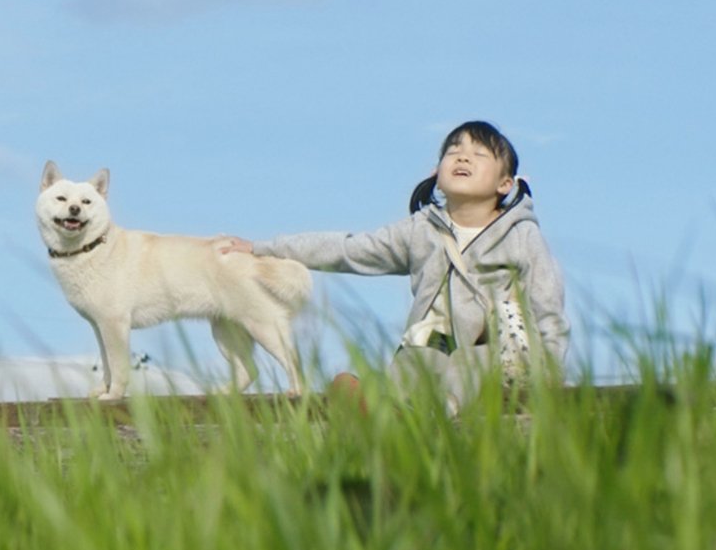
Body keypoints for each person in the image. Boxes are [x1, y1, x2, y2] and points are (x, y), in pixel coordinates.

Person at [220, 120, 569, 414]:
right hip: (432, 342)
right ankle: (383, 412)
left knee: (471, 361)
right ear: (437, 173)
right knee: (418, 354)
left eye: (479, 154)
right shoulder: (421, 230)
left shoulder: (522, 235)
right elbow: (348, 248)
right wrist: (264, 248)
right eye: (453, 150)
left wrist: (550, 375)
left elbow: (547, 306)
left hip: (497, 350)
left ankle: (434, 413)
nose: (463, 155)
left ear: (505, 184)